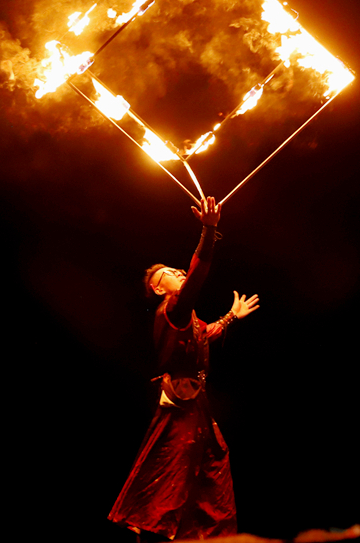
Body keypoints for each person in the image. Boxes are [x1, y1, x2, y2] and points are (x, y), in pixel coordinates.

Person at [108, 196, 260, 541]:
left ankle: (206, 534)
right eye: (169, 274)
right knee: (173, 463)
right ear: (157, 288)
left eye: (177, 270)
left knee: (210, 460)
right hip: (182, 401)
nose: (177, 273)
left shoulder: (187, 317)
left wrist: (231, 316)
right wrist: (208, 230)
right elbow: (198, 272)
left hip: (196, 401)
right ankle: (150, 526)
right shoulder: (173, 309)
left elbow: (206, 333)